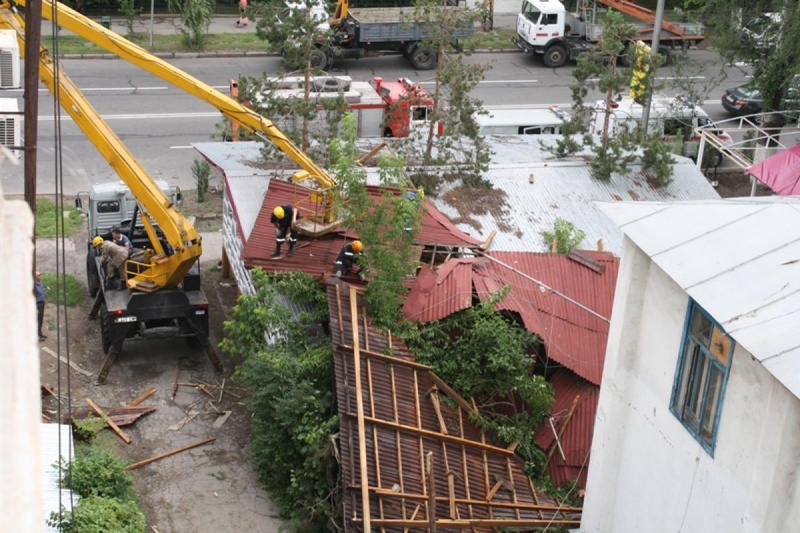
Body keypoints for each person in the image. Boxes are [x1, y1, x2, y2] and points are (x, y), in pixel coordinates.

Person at [34, 271, 46, 341]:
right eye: (38, 275)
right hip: (38, 304)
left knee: (40, 319)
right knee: (37, 320)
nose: (40, 276)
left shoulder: (39, 282)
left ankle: (39, 333)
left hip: (42, 303)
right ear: (35, 277)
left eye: (40, 275)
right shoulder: (34, 285)